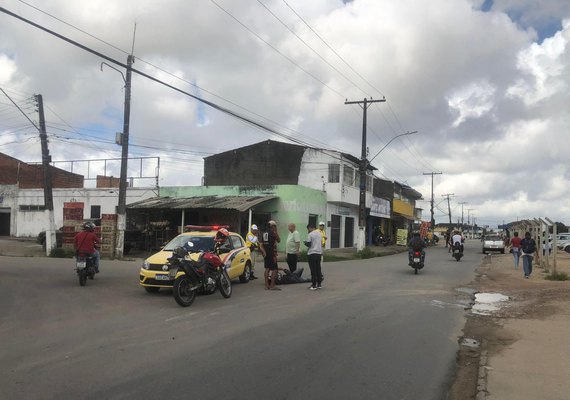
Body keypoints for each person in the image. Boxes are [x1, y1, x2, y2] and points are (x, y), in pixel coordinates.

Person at [259, 220, 281, 291]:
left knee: (267, 269)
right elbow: (279, 240)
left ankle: (266, 285)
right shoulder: (273, 233)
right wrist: (276, 231)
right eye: (275, 226)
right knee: (274, 269)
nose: (275, 227)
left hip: (266, 254)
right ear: (273, 226)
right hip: (272, 254)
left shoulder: (264, 233)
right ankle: (272, 285)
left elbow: (261, 245)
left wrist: (264, 252)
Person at [305, 224, 323, 290]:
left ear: (310, 228)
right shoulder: (319, 234)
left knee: (313, 270)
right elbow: (320, 243)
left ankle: (313, 285)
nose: (308, 230)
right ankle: (319, 284)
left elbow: (309, 244)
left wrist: (305, 243)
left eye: (308, 229)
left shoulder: (310, 234)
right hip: (319, 253)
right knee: (318, 269)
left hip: (312, 253)